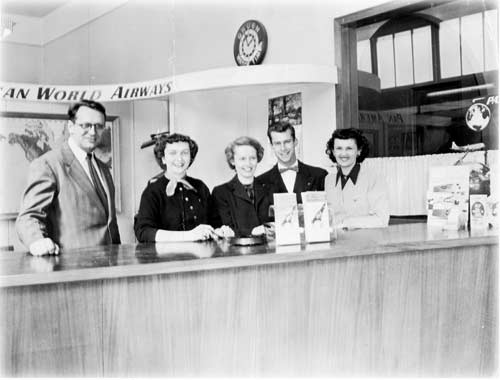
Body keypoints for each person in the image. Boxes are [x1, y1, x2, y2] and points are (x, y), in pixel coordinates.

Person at [16, 100, 121, 255]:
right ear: (71, 127)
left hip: (111, 265)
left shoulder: (104, 169)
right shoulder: (48, 164)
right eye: (86, 125)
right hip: (71, 267)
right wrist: (37, 242)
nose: (93, 132)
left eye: (98, 126)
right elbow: (28, 217)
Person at [134, 133, 222, 242]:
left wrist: (219, 231)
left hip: (201, 257)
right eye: (172, 153)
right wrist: (190, 236)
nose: (179, 158)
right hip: (165, 258)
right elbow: (143, 232)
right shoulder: (152, 191)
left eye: (185, 153)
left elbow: (215, 223)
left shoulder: (201, 187)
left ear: (191, 157)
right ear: (163, 158)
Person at [325, 128, 389, 229]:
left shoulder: (374, 178)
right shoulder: (329, 180)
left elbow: (381, 220)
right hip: (336, 243)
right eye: (339, 148)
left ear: (359, 151)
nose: (343, 154)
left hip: (366, 243)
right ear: (333, 151)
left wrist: (346, 223)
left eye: (349, 148)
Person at [212, 136, 274, 237]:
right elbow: (227, 230)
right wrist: (252, 232)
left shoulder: (269, 188)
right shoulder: (221, 193)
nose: (248, 163)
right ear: (232, 161)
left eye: (252, 158)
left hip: (268, 250)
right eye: (242, 159)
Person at [258, 121, 327, 203]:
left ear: (295, 142)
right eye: (277, 143)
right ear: (271, 146)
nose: (283, 148)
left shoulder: (319, 176)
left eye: (287, 142)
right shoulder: (261, 182)